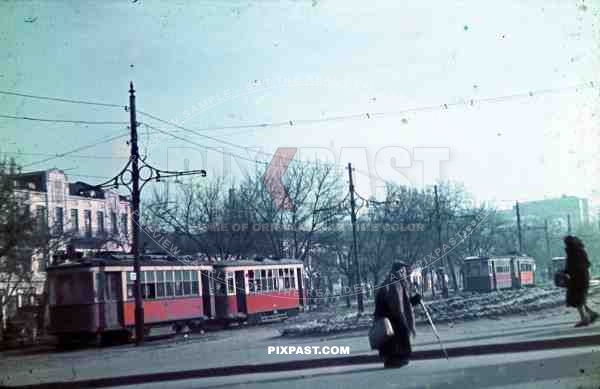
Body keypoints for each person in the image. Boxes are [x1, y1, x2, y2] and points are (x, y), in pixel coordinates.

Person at [374, 261, 422, 368]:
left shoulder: (398, 283)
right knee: (397, 339)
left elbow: (404, 303)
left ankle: (396, 360)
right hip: (392, 318)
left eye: (405, 271)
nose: (405, 273)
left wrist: (414, 300)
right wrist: (404, 321)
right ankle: (396, 360)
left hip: (390, 317)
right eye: (403, 271)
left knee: (394, 341)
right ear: (398, 271)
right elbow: (398, 306)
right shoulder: (394, 284)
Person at [564, 236, 598, 327]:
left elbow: (572, 266)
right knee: (579, 299)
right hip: (582, 277)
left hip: (578, 279)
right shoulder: (580, 250)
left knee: (577, 299)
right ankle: (591, 314)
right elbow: (587, 264)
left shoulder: (573, 251)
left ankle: (585, 318)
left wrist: (567, 271)